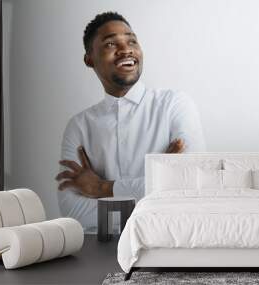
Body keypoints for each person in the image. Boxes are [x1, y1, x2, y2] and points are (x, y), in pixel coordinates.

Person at [55, 12, 206, 232]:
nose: (126, 49)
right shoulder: (78, 126)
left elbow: (192, 183)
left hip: (168, 252)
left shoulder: (174, 105)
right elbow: (73, 211)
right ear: (89, 59)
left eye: (132, 40)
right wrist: (158, 186)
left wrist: (101, 187)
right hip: (99, 256)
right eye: (110, 43)